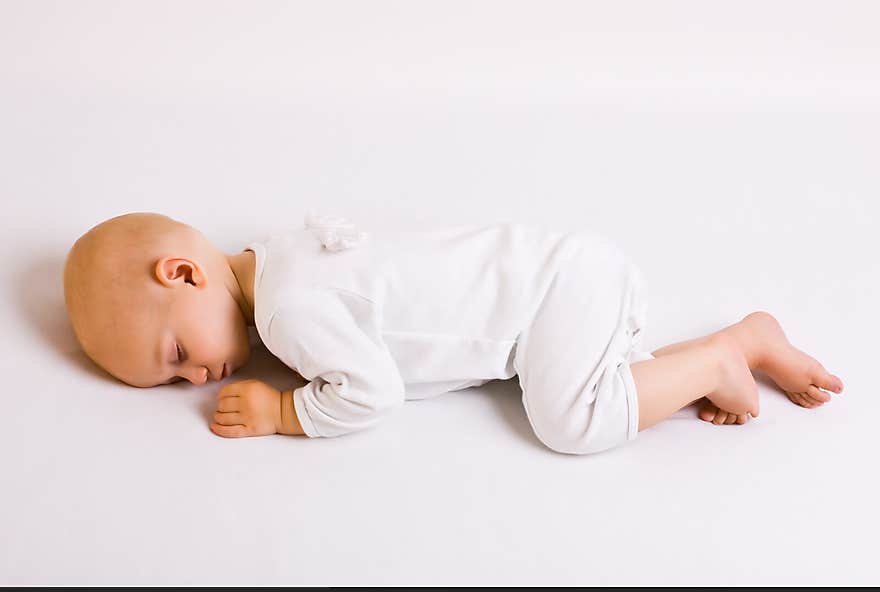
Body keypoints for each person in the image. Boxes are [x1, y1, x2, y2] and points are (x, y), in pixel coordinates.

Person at [62, 212, 844, 455]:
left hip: (548, 300)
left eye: (175, 357)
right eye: (173, 382)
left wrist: (283, 412)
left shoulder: (287, 313)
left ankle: (724, 351)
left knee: (572, 424)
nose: (194, 379)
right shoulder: (280, 255)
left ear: (184, 274)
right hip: (558, 272)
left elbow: (373, 391)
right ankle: (742, 343)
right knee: (609, 381)